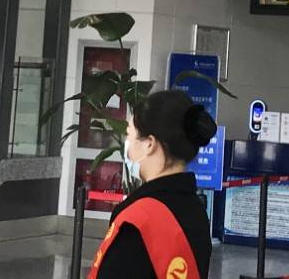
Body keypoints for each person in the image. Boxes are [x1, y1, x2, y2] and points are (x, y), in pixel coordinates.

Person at [88, 89, 216, 279]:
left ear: (149, 144)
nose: (127, 145)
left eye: (129, 136)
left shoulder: (138, 220)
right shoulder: (196, 210)